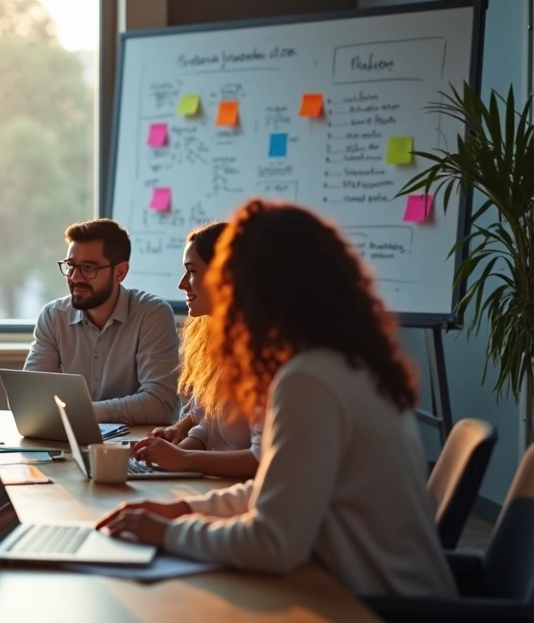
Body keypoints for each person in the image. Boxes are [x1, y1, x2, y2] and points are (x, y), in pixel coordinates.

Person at [96, 200, 455, 597]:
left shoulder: (309, 379)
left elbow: (273, 543)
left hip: (376, 607)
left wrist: (169, 532)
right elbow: (276, 487)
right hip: (364, 591)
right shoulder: (346, 362)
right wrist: (185, 510)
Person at [129, 222, 261, 479]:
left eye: (191, 271)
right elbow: (207, 427)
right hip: (214, 485)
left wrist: (182, 458)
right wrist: (163, 456)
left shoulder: (263, 356)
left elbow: (262, 459)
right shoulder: (217, 342)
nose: (181, 284)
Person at [24, 218, 180, 424]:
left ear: (120, 272)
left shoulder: (152, 314)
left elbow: (161, 405)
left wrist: (84, 412)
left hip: (135, 447)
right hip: (70, 439)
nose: (75, 278)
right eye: (71, 266)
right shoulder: (54, 316)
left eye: (88, 268)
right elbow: (29, 399)